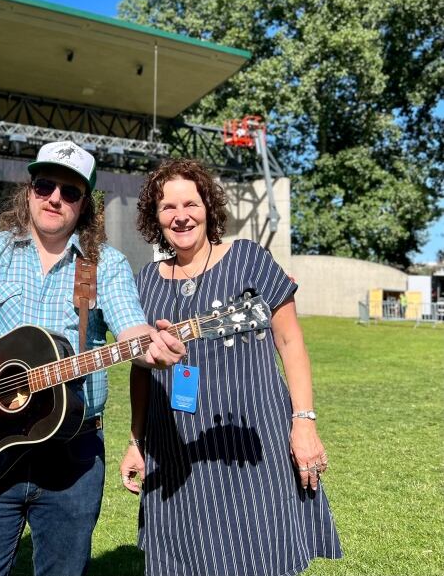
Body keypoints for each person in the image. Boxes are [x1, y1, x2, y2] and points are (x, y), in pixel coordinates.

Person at [0, 141, 186, 576]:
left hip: (73, 454)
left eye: (70, 192)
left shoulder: (105, 265)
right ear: (29, 191)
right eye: (44, 185)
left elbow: (132, 330)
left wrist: (153, 348)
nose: (55, 198)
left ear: (85, 205)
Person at [120, 158, 342, 576]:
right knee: (181, 561)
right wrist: (136, 441)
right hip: (175, 450)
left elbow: (290, 341)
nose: (181, 216)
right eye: (168, 207)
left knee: (258, 554)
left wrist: (305, 422)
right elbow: (141, 369)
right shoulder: (144, 281)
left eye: (191, 203)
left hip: (251, 444)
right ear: (155, 216)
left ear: (208, 206)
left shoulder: (248, 258)